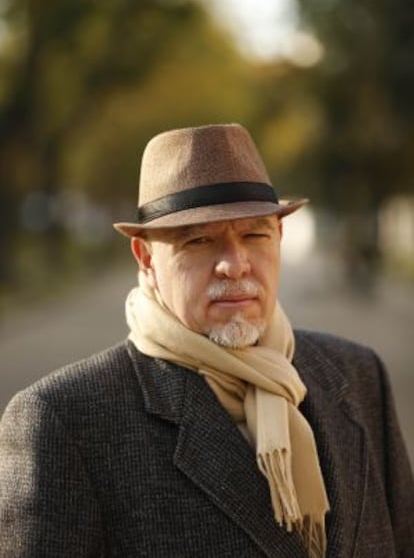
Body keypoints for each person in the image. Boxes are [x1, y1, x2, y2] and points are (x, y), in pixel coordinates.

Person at [0, 123, 413, 558]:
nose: (235, 265)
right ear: (146, 259)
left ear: (280, 237)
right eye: (199, 240)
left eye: (255, 234)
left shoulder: (358, 374)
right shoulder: (63, 420)